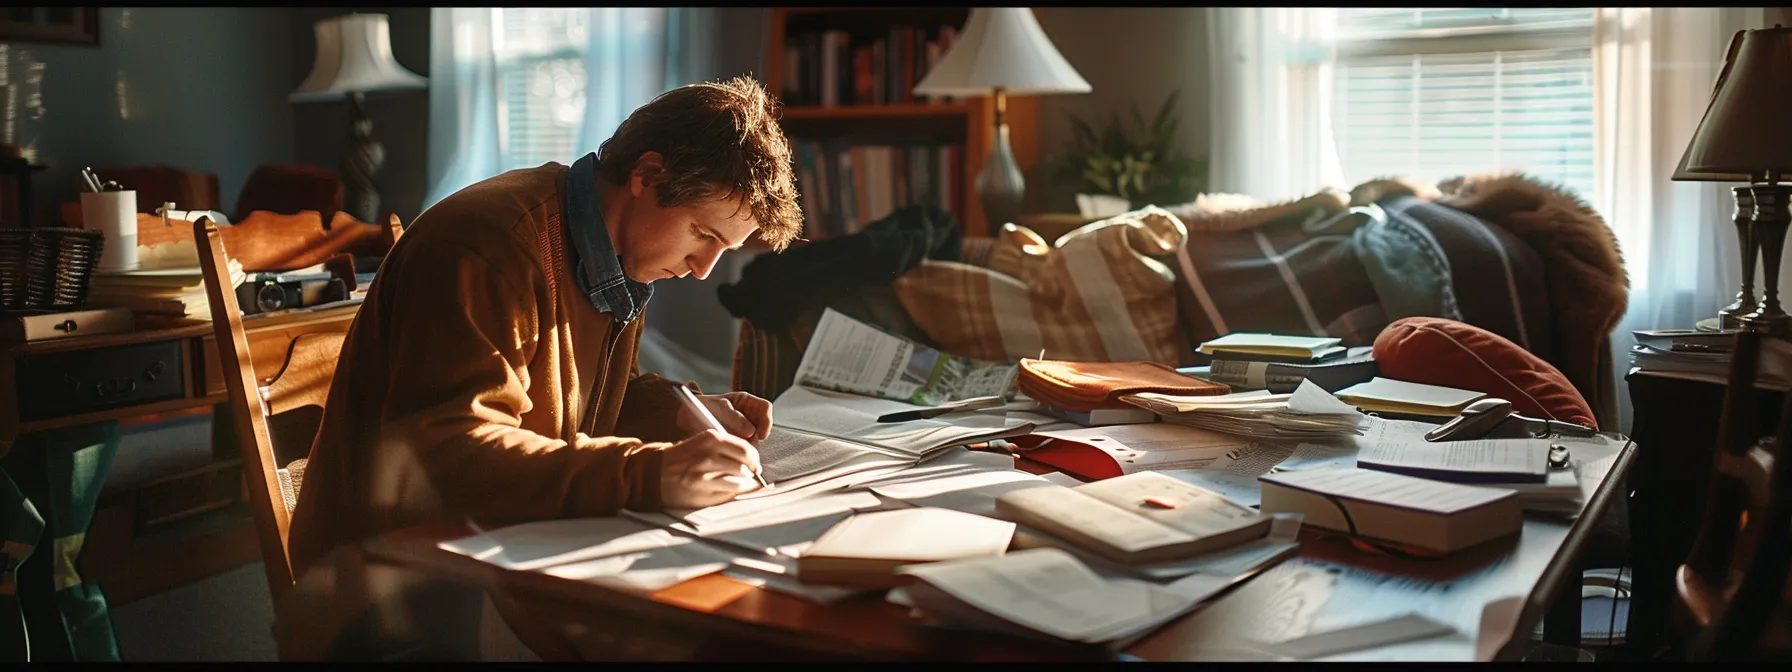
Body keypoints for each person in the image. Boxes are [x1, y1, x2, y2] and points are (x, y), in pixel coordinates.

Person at [287, 75, 804, 579]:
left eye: (724, 249)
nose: (702, 269)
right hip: (387, 577)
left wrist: (682, 413)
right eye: (702, 233)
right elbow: (446, 455)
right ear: (648, 176)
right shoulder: (488, 245)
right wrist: (650, 474)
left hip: (505, 543)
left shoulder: (617, 253)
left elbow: (590, 407)